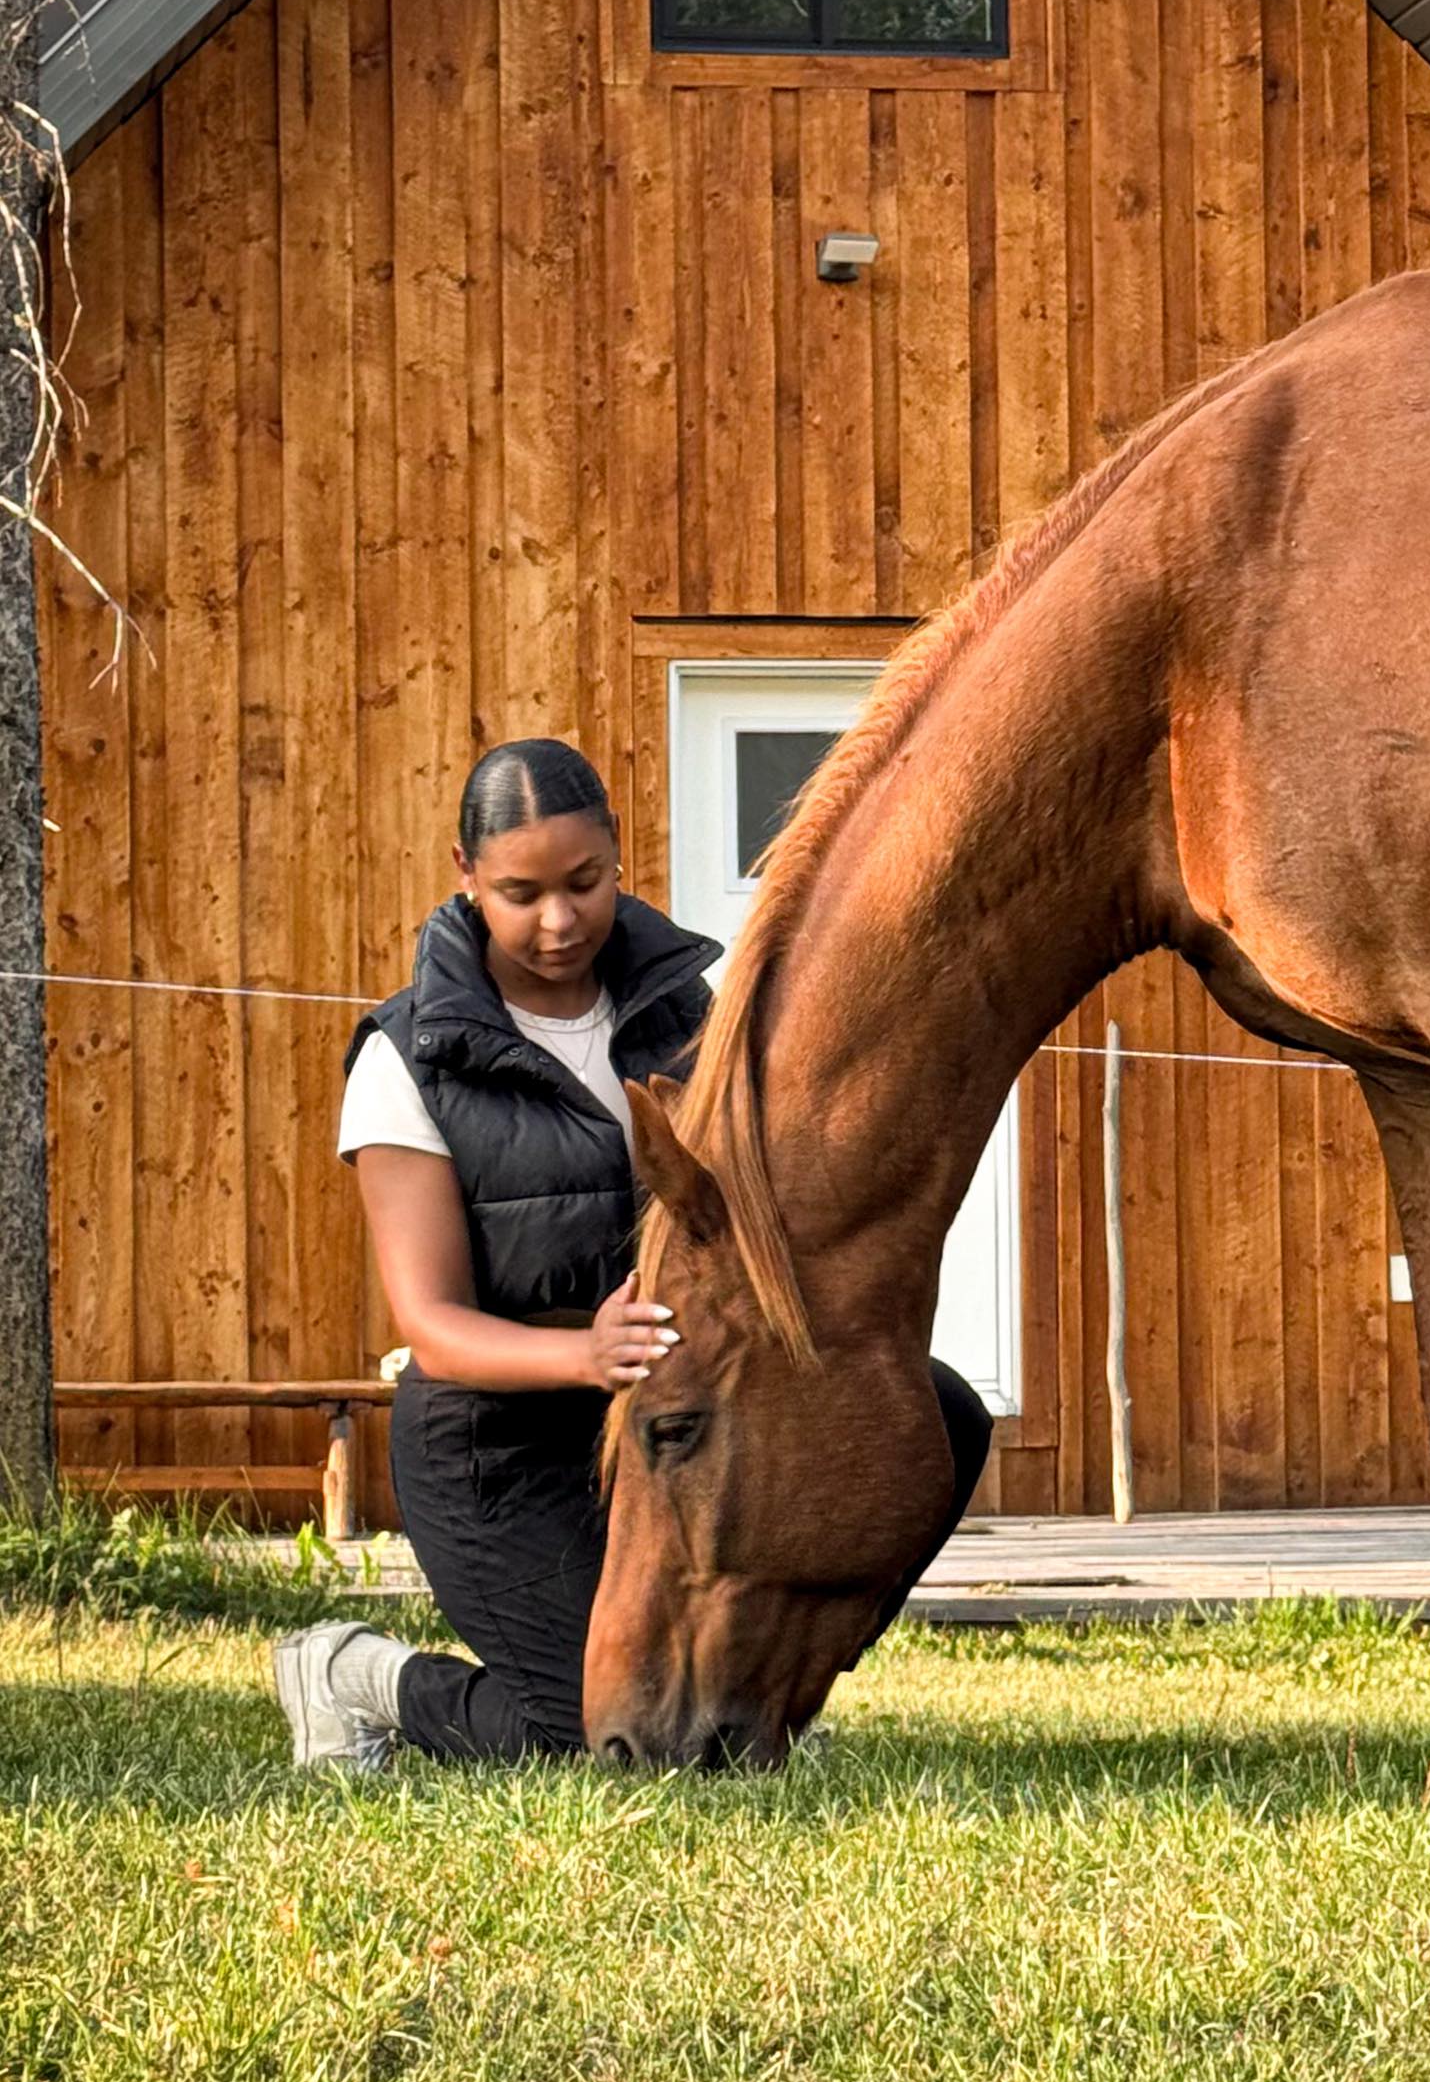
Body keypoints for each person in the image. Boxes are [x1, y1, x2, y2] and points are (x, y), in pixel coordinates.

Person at [274, 736, 991, 1770]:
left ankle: (776, 1696)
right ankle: (352, 1675)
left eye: (583, 881)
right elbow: (430, 1322)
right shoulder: (404, 1057)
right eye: (520, 891)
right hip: (499, 1440)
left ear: (618, 856)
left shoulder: (696, 1017)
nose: (557, 919)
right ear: (464, 874)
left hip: (679, 1419)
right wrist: (586, 1356)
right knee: (596, 1731)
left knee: (937, 1416)